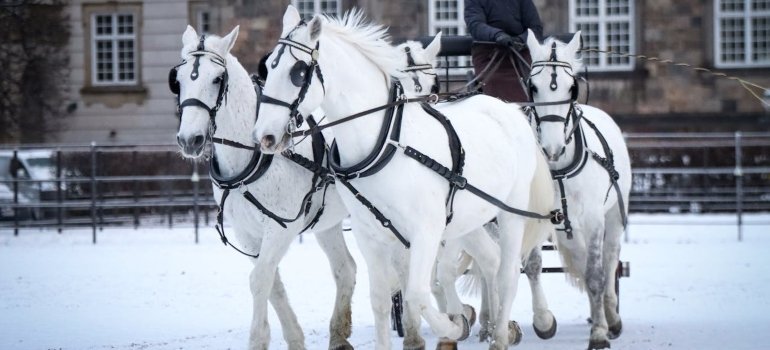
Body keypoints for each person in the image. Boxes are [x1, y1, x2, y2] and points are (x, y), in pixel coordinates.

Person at [465, 0, 543, 102]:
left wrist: (520, 40)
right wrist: (497, 35)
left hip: (520, 53)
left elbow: (535, 28)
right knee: (494, 81)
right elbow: (475, 25)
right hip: (490, 54)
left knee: (536, 80)